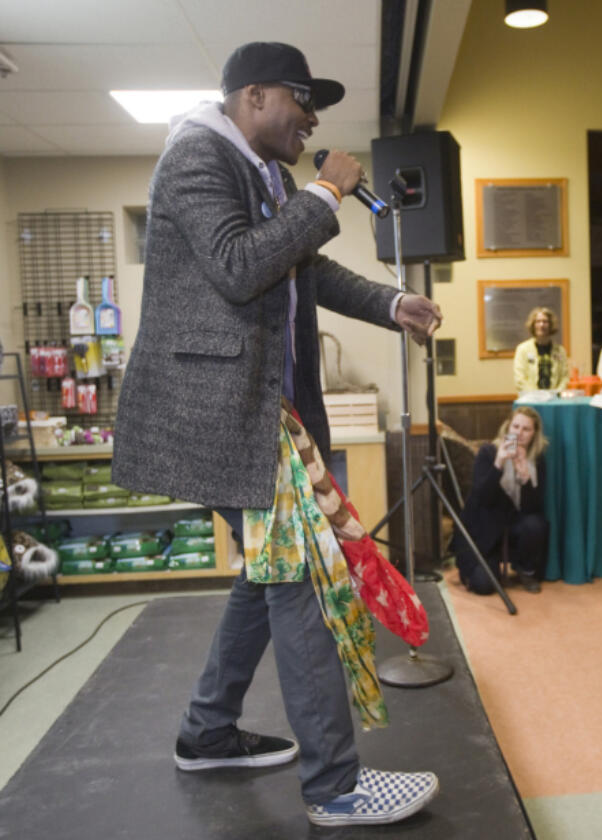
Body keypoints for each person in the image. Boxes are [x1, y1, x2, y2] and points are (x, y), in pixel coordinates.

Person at [111, 42, 442, 827]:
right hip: (223, 420)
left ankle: (207, 731)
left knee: (269, 575)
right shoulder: (196, 159)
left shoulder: (269, 176)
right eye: (303, 99)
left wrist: (392, 304)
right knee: (301, 581)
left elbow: (305, 270)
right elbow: (236, 264)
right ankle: (336, 787)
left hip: (272, 416)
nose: (314, 118)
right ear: (253, 96)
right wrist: (328, 190)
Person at [452, 407, 548, 595]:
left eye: (526, 429)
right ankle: (477, 569)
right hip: (484, 527)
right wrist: (499, 464)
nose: (519, 433)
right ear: (508, 427)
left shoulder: (537, 460)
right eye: (516, 426)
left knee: (536, 524)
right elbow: (482, 499)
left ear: (534, 434)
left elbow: (533, 508)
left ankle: (526, 570)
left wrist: (525, 477)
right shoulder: (488, 452)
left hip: (512, 522)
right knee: (483, 585)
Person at [513, 306, 569, 392]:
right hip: (530, 399)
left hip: (554, 400)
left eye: (545, 321)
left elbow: (565, 377)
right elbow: (519, 379)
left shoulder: (560, 351)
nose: (541, 325)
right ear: (533, 325)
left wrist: (556, 393)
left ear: (550, 325)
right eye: (538, 322)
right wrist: (537, 396)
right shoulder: (522, 349)